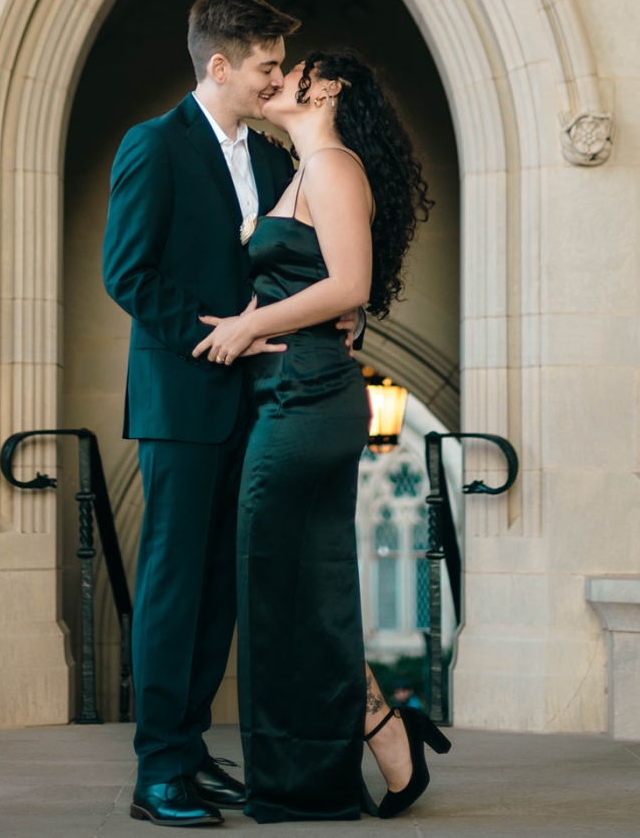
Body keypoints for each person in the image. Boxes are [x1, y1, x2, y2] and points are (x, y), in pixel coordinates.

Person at [102, 0, 359, 828]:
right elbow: (128, 273)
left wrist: (333, 316)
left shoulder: (279, 158)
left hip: (262, 405)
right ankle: (158, 770)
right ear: (219, 65)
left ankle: (190, 746)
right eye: (266, 65)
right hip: (183, 400)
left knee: (222, 589)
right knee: (175, 587)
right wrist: (224, 338)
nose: (277, 77)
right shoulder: (155, 145)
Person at [192, 48, 452, 822]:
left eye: (290, 69)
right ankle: (375, 732)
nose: (274, 81)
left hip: (309, 398)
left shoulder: (335, 167)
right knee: (292, 588)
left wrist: (248, 325)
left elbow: (349, 285)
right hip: (287, 397)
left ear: (329, 86)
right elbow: (320, 284)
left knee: (292, 588)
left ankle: (334, 757)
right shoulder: (302, 174)